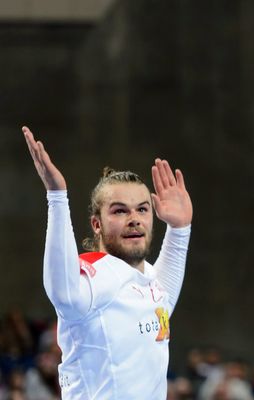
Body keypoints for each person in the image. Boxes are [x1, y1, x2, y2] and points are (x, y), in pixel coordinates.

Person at [23, 126, 193, 399]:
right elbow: (64, 294)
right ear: (97, 224)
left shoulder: (148, 279)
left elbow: (163, 302)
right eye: (119, 211)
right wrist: (57, 196)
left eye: (142, 208)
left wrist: (180, 229)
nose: (134, 218)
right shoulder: (95, 276)